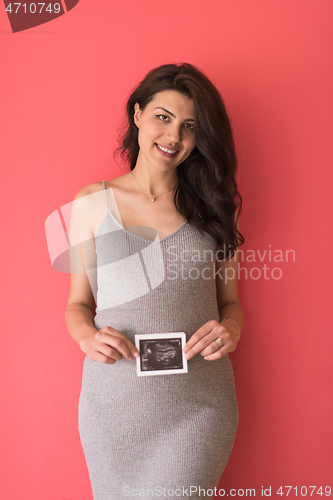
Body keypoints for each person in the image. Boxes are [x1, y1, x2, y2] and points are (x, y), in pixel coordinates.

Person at [65, 62, 245, 500]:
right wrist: (88, 338)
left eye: (189, 126)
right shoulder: (92, 203)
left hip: (197, 403)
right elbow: (76, 305)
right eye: (163, 118)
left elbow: (231, 304)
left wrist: (232, 331)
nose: (173, 137)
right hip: (113, 405)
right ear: (138, 114)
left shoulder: (217, 208)